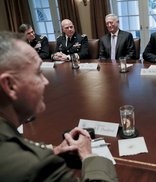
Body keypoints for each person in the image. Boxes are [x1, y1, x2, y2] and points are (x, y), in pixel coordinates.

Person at [0, 31, 118, 181]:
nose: (45, 81)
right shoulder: (38, 167)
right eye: (38, 73)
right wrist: (88, 155)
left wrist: (54, 151)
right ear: (9, 85)